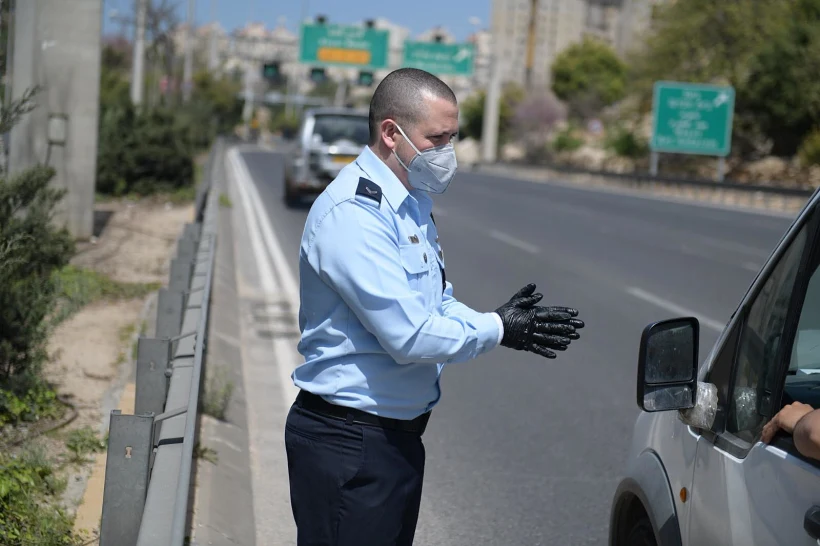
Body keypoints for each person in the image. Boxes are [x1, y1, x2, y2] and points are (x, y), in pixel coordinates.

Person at [284, 68, 585, 546]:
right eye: (437, 138)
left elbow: (436, 303)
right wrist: (496, 329)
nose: (448, 153)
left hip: (393, 441)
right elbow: (409, 336)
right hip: (350, 442)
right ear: (391, 132)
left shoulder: (410, 203)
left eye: (452, 137)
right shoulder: (354, 215)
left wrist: (503, 321)